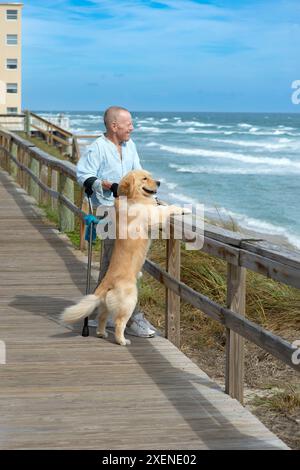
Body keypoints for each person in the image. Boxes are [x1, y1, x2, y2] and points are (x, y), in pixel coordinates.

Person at [76, 106, 157, 337]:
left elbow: (140, 177)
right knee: (124, 269)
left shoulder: (130, 146)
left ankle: (99, 314)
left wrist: (153, 199)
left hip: (129, 213)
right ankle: (130, 318)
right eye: (128, 124)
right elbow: (83, 175)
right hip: (107, 211)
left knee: (113, 267)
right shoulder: (97, 148)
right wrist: (108, 185)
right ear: (114, 126)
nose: (132, 127)